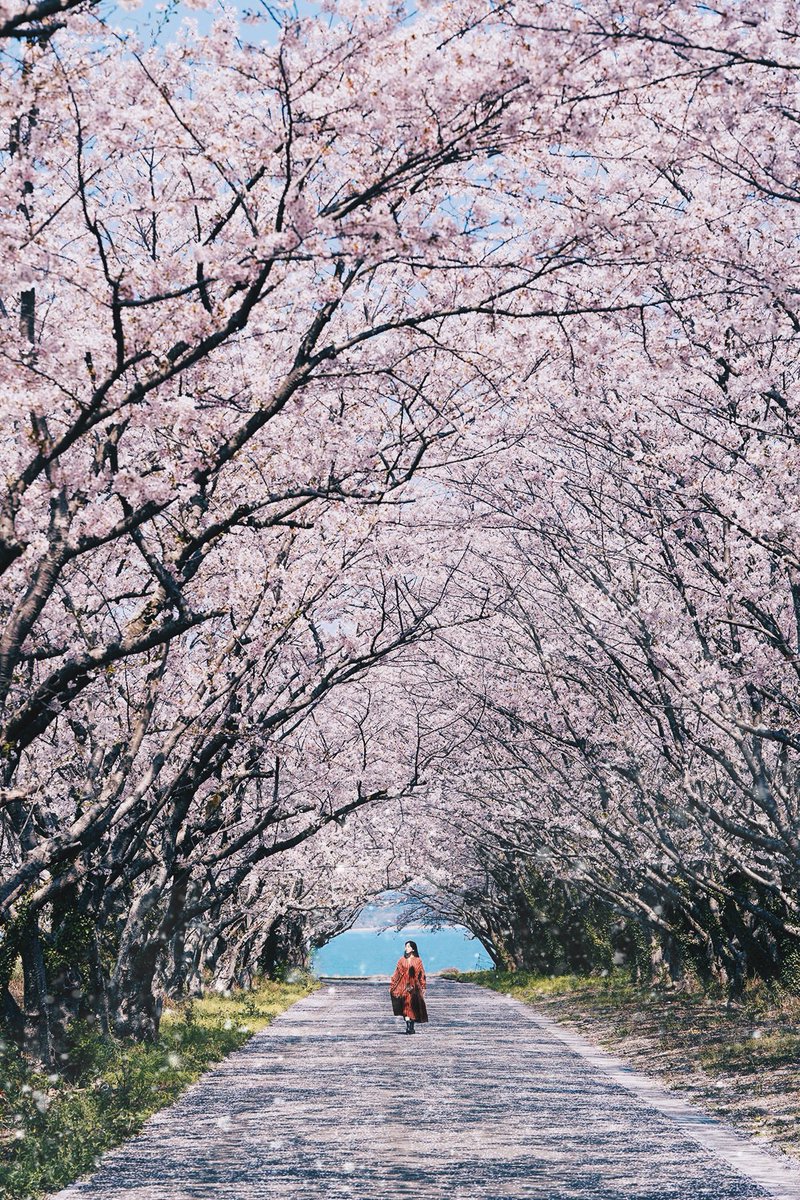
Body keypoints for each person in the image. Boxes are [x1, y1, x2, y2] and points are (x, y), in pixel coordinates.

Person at [389, 939, 428, 1034]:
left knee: (413, 1006)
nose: (406, 948)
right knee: (405, 1006)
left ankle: (412, 1025)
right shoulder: (401, 960)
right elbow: (396, 973)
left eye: (408, 946)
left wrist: (423, 986)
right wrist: (392, 985)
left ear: (413, 949)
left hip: (414, 987)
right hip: (403, 986)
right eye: (406, 946)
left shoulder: (418, 961)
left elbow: (421, 974)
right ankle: (408, 1026)